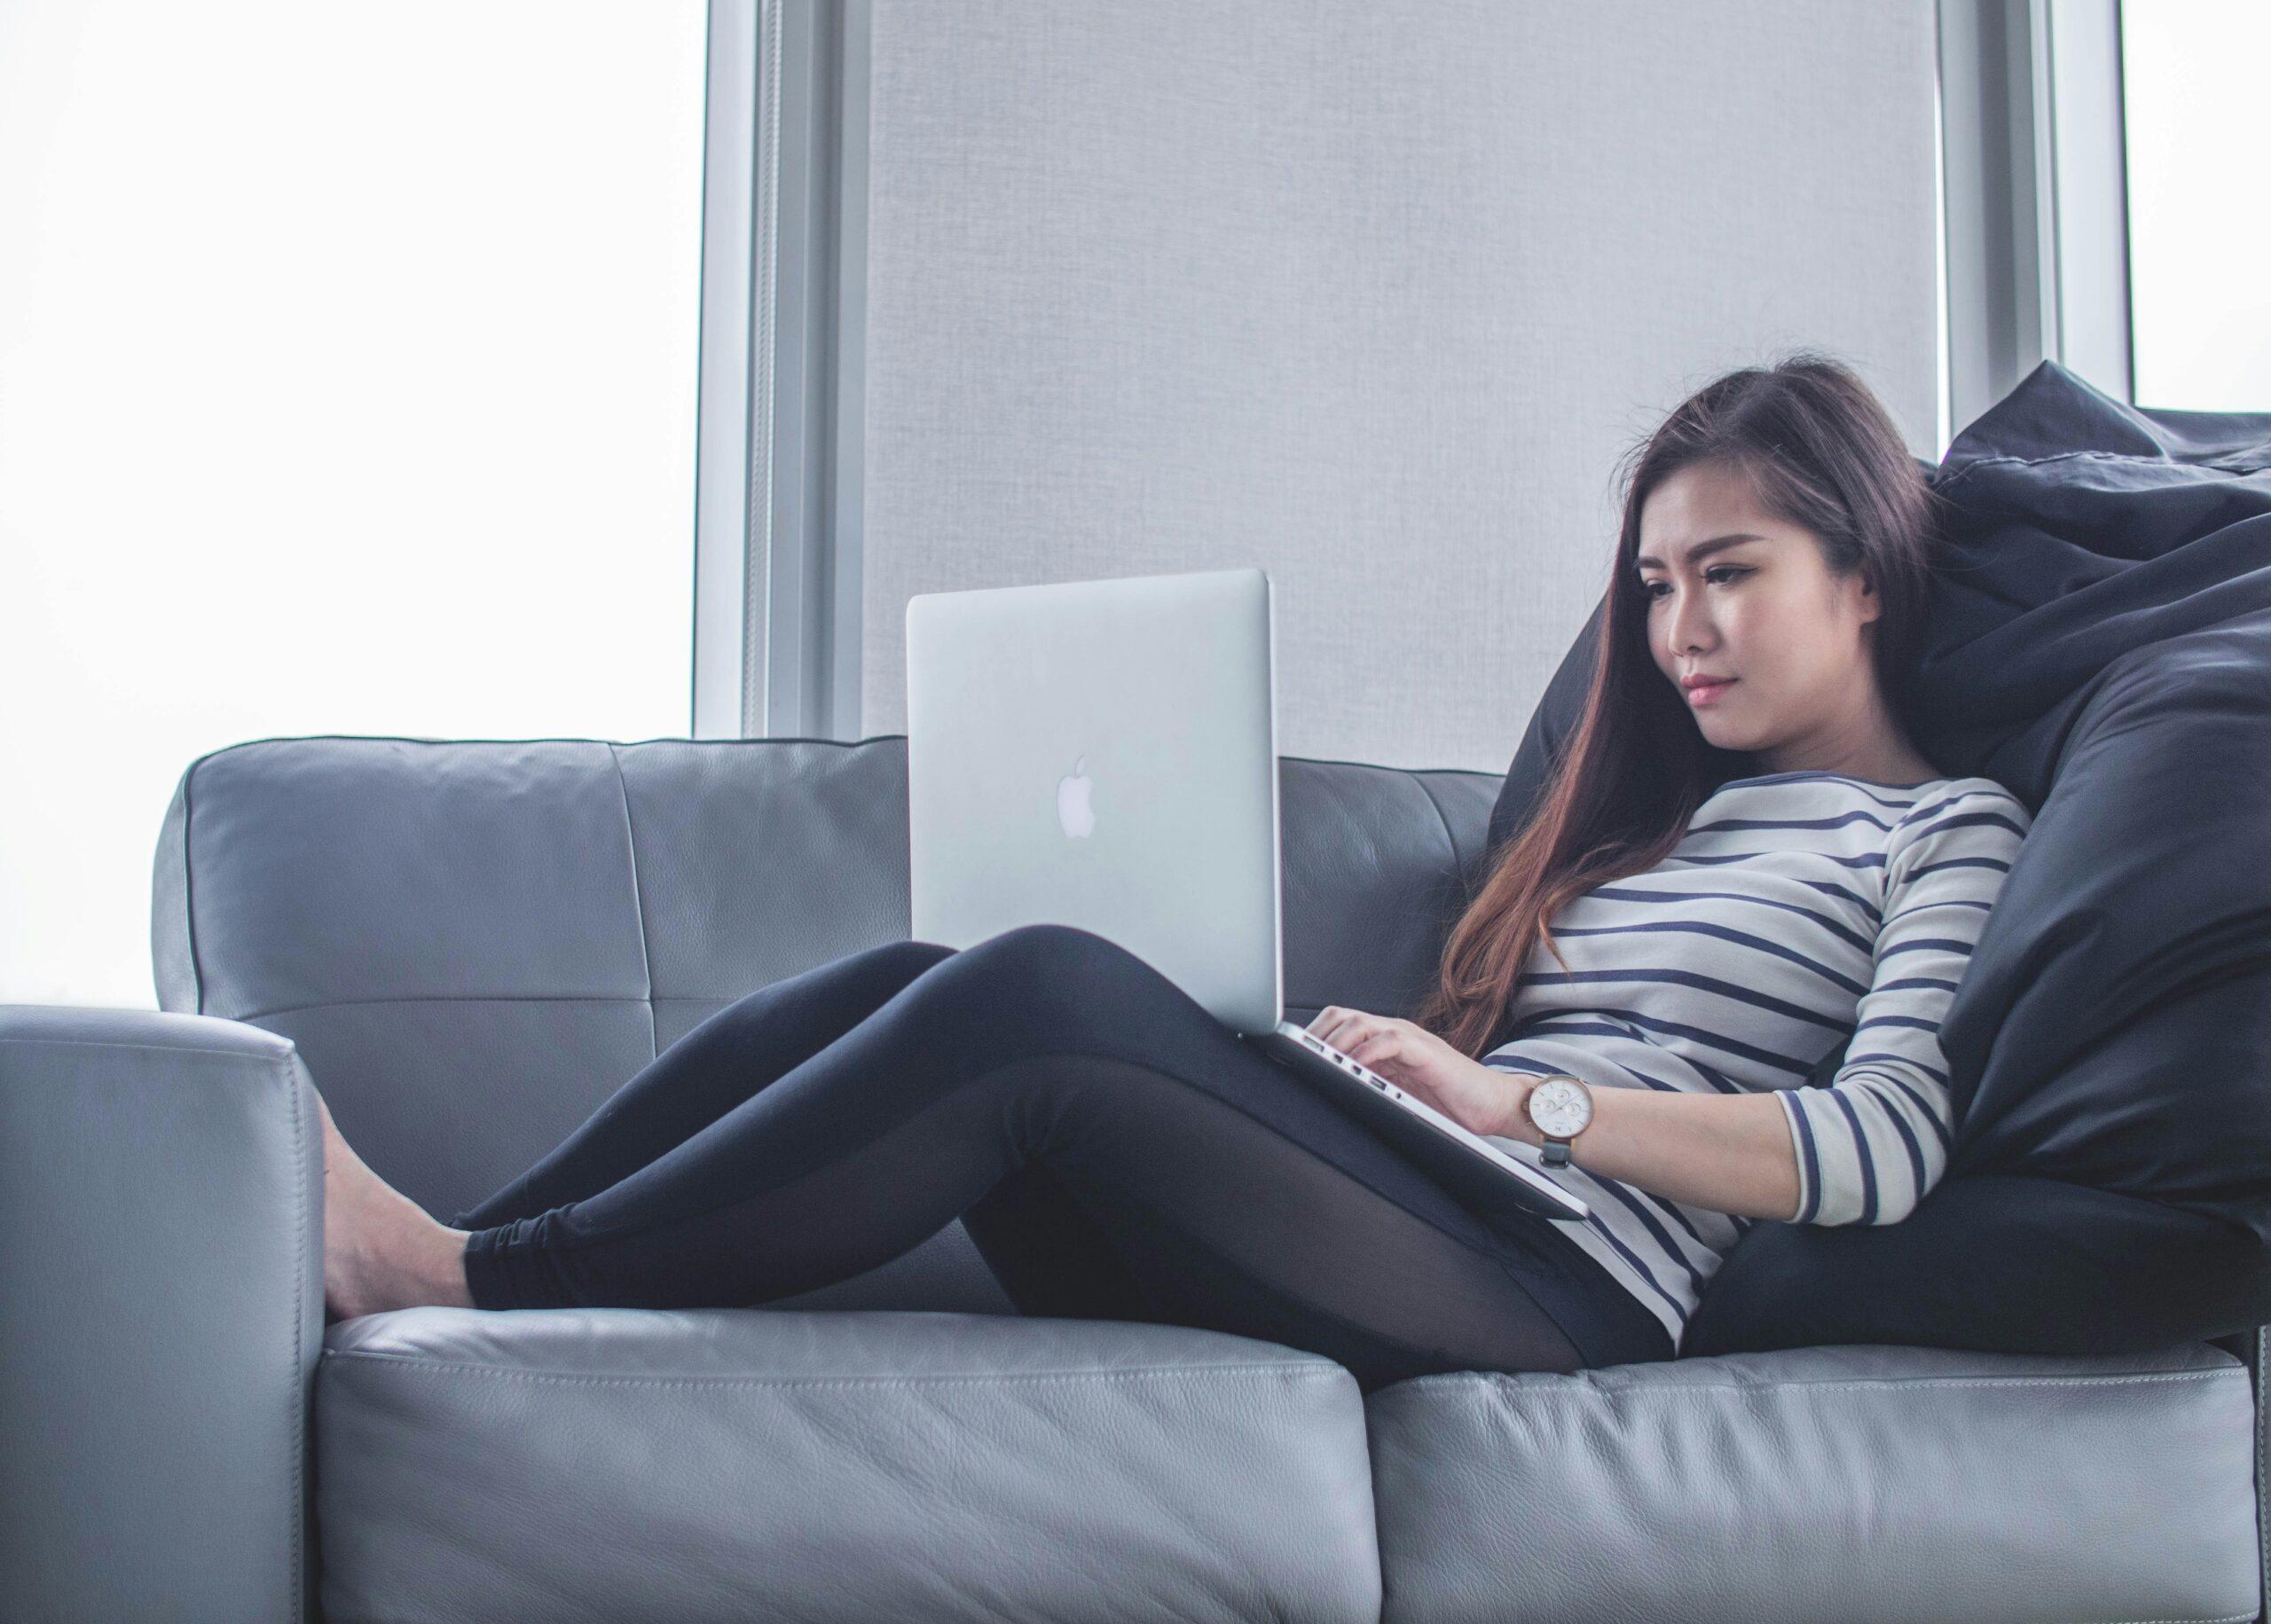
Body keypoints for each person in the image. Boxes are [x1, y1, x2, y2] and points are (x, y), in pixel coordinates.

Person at [316, 350, 2031, 1389]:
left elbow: (1882, 1151)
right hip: (1424, 1212)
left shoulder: (1944, 830)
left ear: (1866, 571)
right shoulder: (1658, 822)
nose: (1676, 632)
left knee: (1045, 993)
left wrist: (1526, 1110)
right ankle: (476, 1254)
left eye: (1724, 572)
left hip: (1571, 1290)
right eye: (1651, 587)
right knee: (936, 978)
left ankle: (463, 1282)